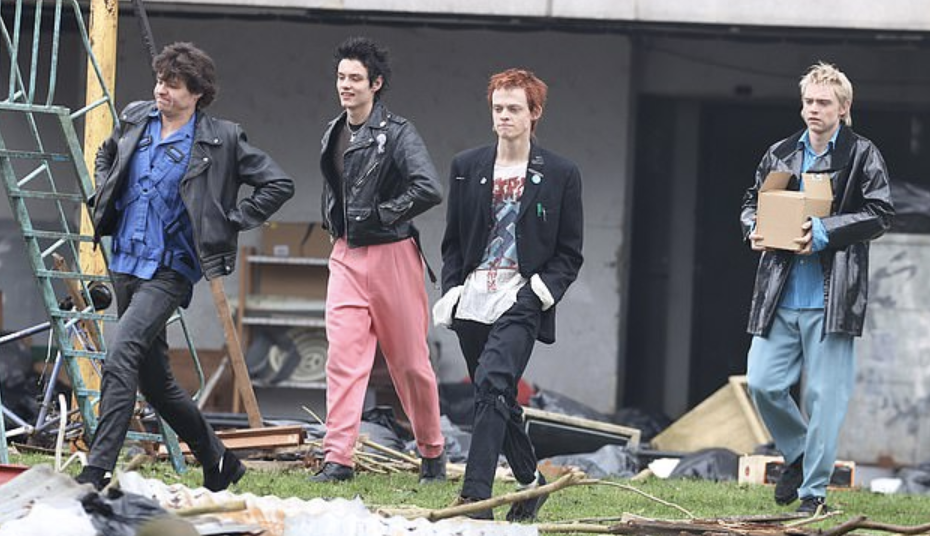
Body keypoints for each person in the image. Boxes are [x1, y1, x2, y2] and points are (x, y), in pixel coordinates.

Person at [77, 42, 294, 491]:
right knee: (154, 382)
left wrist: (229, 220)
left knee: (121, 355)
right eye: (160, 81)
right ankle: (219, 460)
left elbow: (278, 183)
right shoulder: (136, 117)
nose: (162, 90)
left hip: (171, 267)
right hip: (126, 259)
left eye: (173, 85)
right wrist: (102, 192)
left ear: (197, 93)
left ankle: (97, 471)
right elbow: (106, 153)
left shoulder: (222, 139)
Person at [741, 62, 893, 514]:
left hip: (833, 297)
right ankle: (800, 452)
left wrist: (824, 231)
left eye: (823, 102)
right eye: (808, 101)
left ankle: (813, 494)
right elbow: (751, 200)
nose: (813, 109)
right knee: (762, 383)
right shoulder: (780, 152)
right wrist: (752, 227)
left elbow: (880, 213)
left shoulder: (863, 154)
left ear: (843, 108)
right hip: (780, 292)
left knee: (824, 399)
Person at [434, 68, 584, 521]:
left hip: (523, 296)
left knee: (493, 383)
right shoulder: (467, 167)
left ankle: (475, 499)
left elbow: (569, 253)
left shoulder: (560, 173)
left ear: (534, 113)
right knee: (493, 392)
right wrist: (452, 290)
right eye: (498, 108)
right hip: (473, 297)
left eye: (514, 108)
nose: (503, 116)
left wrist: (537, 294)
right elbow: (453, 242)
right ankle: (529, 484)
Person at [313, 36, 446, 483]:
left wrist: (382, 214)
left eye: (355, 78)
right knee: (343, 358)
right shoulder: (333, 131)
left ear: (376, 83)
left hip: (393, 254)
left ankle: (432, 451)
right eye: (341, 77)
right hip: (346, 254)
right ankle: (338, 459)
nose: (345, 85)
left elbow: (429, 188)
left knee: (410, 364)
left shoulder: (399, 133)